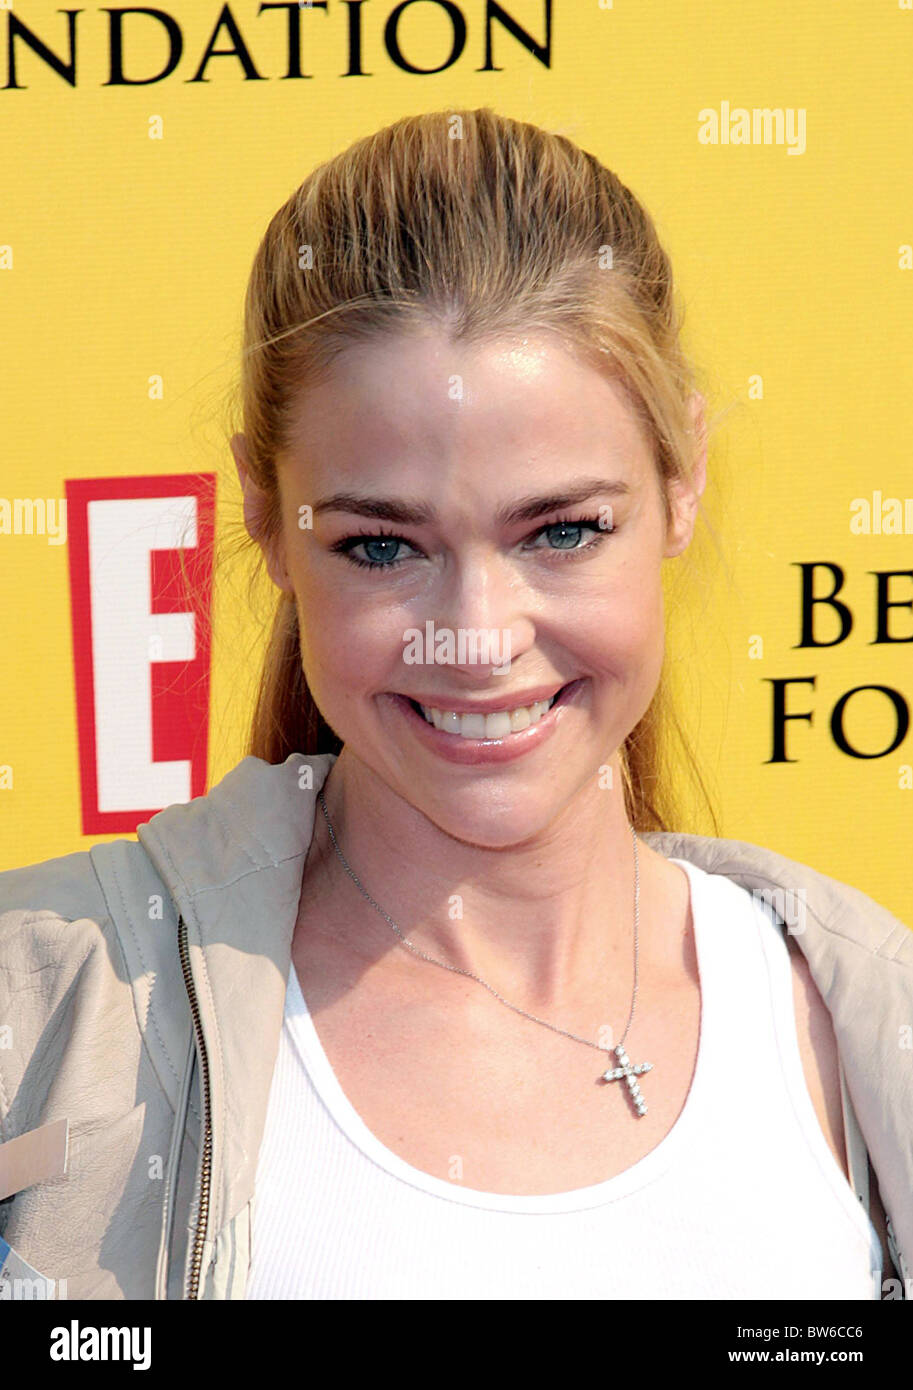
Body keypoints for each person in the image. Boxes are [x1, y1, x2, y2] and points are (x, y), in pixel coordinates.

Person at [1, 108, 911, 1302]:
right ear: (266, 514)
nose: (476, 637)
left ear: (682, 478)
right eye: (382, 546)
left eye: (562, 531)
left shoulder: (854, 1018)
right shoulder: (45, 1009)